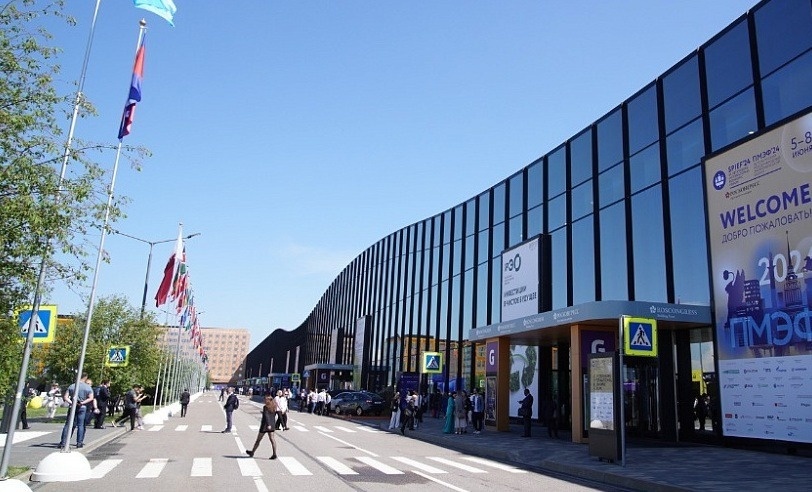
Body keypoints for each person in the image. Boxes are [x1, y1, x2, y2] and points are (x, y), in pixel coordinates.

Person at [58, 373, 95, 449]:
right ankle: (79, 442)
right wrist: (82, 403)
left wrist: (72, 403)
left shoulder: (72, 386)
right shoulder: (87, 387)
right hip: (82, 407)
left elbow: (65, 397)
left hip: (72, 406)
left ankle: (63, 442)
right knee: (81, 425)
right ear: (85, 378)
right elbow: (91, 398)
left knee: (68, 424)